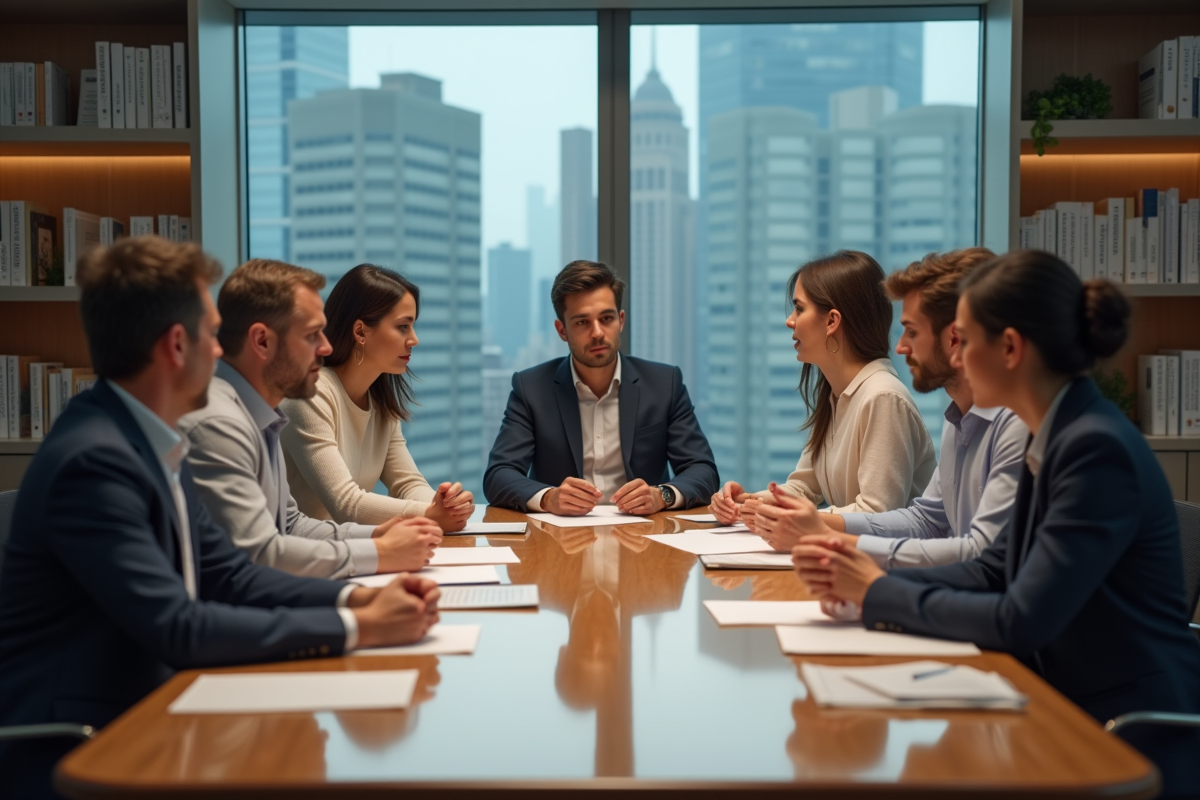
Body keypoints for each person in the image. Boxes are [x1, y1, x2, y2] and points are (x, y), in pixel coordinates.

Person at [0, 238, 441, 800]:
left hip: (158, 706)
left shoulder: (150, 439)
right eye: (213, 334)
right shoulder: (96, 461)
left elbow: (226, 574)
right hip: (89, 742)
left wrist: (355, 601)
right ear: (177, 345)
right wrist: (359, 628)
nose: (223, 350)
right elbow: (178, 626)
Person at [793, 250, 1200, 797]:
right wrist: (863, 583)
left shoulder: (1092, 449)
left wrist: (877, 593)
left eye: (963, 339)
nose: (955, 356)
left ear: (1009, 349)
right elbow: (991, 568)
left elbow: (1019, 618)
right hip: (1059, 696)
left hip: (1115, 731)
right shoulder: (1057, 431)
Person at [755, 248, 1028, 566]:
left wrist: (826, 537)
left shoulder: (1016, 425)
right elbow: (926, 521)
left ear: (955, 338)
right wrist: (813, 524)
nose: (900, 347)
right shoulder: (959, 419)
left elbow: (980, 553)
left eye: (911, 332)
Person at [179, 259, 443, 579]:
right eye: (312, 335)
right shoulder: (219, 425)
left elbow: (291, 525)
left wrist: (377, 537)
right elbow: (259, 556)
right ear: (262, 341)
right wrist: (377, 556)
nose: (326, 346)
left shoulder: (262, 415)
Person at [710, 250, 936, 530]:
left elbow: (877, 513)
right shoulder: (837, 393)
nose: (789, 321)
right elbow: (804, 488)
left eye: (799, 309)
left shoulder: (883, 397)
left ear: (831, 321)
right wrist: (747, 503)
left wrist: (795, 519)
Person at [484, 260, 718, 515]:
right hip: (560, 541)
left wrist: (661, 495)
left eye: (606, 318)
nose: (597, 333)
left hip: (645, 536)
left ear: (621, 320)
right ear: (562, 330)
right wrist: (548, 498)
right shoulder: (531, 389)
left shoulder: (664, 383)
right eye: (582, 322)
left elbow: (702, 470)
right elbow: (499, 475)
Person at [280, 264, 474, 531]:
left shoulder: (380, 401)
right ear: (360, 331)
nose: (414, 340)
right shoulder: (310, 395)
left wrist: (448, 505)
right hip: (308, 557)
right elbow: (346, 503)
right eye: (403, 327)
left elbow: (407, 484)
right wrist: (430, 513)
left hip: (354, 551)